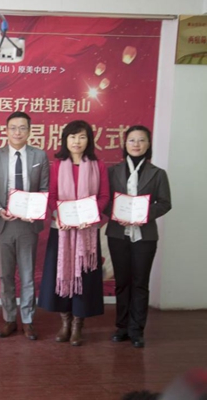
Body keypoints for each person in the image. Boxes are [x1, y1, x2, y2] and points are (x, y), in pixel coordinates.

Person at [38, 120, 109, 346]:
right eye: (72, 136)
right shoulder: (58, 165)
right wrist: (61, 215)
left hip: (87, 232)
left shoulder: (98, 165)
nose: (77, 141)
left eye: (82, 136)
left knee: (84, 277)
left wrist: (90, 215)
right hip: (63, 229)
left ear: (89, 140)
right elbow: (51, 195)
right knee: (62, 274)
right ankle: (65, 323)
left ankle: (78, 325)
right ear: (65, 140)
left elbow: (104, 196)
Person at [105, 125, 171, 348]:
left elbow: (165, 203)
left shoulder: (158, 174)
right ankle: (122, 327)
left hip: (145, 236)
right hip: (118, 233)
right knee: (122, 281)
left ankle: (136, 330)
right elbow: (104, 200)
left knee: (140, 282)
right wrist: (117, 214)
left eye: (141, 140)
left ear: (148, 144)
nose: (136, 144)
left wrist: (142, 215)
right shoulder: (112, 171)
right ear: (125, 144)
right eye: (132, 140)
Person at [0, 111, 49, 341]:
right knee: (6, 275)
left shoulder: (39, 155)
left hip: (28, 225)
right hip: (3, 223)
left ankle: (28, 320)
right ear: (6, 130)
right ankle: (10, 318)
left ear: (29, 131)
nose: (17, 132)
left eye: (22, 127)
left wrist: (36, 211)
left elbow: (44, 189)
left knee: (28, 274)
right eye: (13, 127)